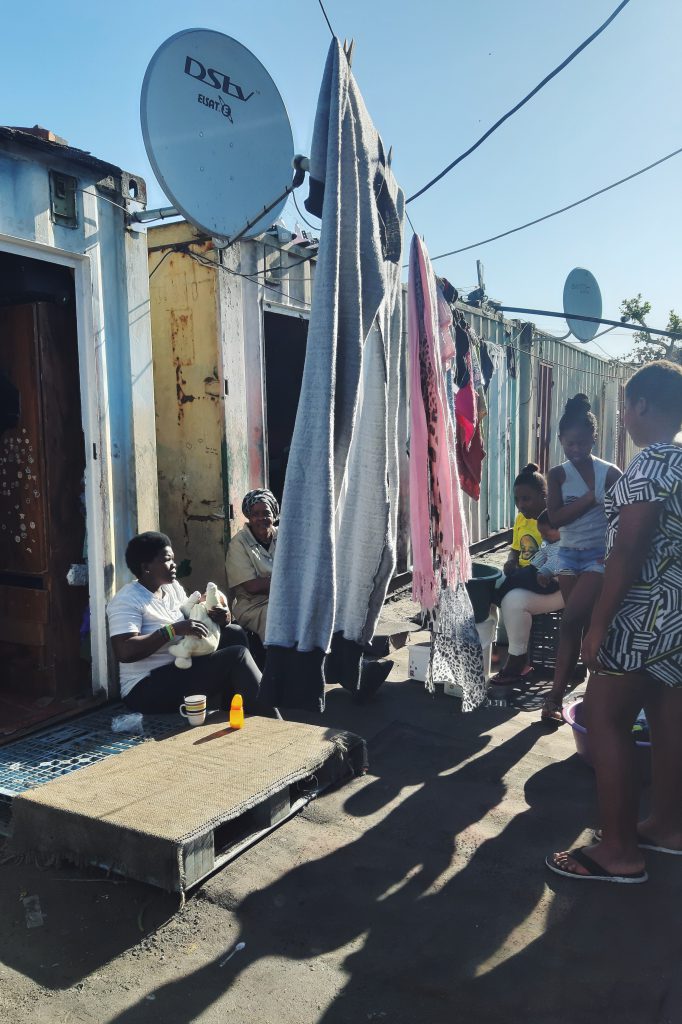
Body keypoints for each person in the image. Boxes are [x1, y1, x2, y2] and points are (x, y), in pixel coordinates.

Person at [547, 361, 682, 883]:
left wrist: (598, 626)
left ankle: (620, 850)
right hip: (676, 622)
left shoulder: (648, 465)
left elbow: (625, 552)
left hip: (641, 618)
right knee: (669, 718)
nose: (624, 414)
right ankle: (669, 826)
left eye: (626, 405)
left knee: (604, 720)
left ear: (642, 406)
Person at [107, 531, 269, 716]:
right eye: (167, 560)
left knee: (234, 633)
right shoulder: (127, 599)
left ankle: (230, 710)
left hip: (181, 667)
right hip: (146, 688)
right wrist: (172, 630)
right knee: (237, 656)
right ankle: (272, 722)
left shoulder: (171, 588)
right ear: (146, 567)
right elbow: (125, 651)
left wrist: (220, 617)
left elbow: (192, 617)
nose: (174, 565)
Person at [541, 395, 622, 722]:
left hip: (598, 558)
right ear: (560, 440)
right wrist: (590, 499)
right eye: (569, 443)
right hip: (568, 557)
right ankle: (591, 697)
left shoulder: (611, 473)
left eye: (582, 443)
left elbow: (622, 518)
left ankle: (554, 698)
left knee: (571, 621)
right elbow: (556, 518)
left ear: (594, 439)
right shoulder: (557, 475)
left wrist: (615, 559)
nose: (575, 449)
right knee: (581, 625)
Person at [491, 464, 565, 686]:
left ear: (545, 497)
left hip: (559, 582)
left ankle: (517, 662)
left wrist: (544, 572)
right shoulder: (523, 519)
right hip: (533, 573)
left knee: (510, 597)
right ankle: (490, 649)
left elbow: (560, 555)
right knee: (494, 586)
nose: (520, 506)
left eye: (527, 499)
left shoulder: (558, 517)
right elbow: (519, 548)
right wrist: (511, 561)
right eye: (517, 500)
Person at [226, 489, 278, 645]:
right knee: (280, 616)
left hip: (283, 599)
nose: (261, 518)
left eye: (266, 513)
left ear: (274, 515)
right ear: (248, 516)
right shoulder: (238, 544)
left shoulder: (285, 537)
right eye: (255, 514)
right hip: (254, 606)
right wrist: (288, 583)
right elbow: (252, 586)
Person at [493, 510, 561, 602]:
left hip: (549, 580)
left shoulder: (562, 545)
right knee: (516, 577)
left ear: (561, 529)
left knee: (517, 579)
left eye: (545, 534)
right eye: (541, 534)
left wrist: (543, 572)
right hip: (538, 572)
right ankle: (499, 596)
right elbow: (541, 554)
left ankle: (499, 598)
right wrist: (532, 566)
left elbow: (554, 561)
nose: (543, 537)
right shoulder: (550, 541)